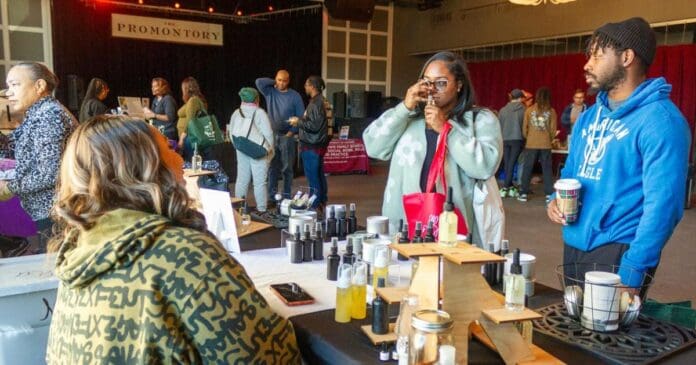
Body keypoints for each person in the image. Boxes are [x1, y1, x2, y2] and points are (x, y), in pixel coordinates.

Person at [45, 116, 301, 364]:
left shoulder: (78, 254)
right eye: (169, 149)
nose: (181, 159)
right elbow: (269, 355)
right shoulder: (182, 253)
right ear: (144, 166)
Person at [547, 17, 690, 290]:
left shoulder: (661, 121)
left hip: (618, 251)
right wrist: (555, 198)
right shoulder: (589, 117)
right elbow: (570, 172)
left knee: (606, 332)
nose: (587, 64)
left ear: (626, 57)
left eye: (598, 56)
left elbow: (663, 208)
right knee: (573, 330)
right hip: (575, 242)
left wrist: (634, 269)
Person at [363, 51, 502, 246]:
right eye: (427, 82)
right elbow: (373, 147)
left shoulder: (481, 120)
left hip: (456, 229)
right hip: (404, 229)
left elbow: (486, 166)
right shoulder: (408, 119)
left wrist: (446, 129)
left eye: (441, 83)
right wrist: (404, 107)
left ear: (459, 84)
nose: (432, 89)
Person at [0, 62, 76, 253]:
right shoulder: (38, 114)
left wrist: (9, 187)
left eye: (15, 85)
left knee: (56, 271)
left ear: (40, 86)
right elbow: (15, 150)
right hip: (52, 212)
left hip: (57, 213)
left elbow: (50, 173)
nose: (8, 93)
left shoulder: (49, 115)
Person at [256, 70, 305, 201]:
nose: (281, 83)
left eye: (284, 80)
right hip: (272, 135)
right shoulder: (270, 92)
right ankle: (272, 197)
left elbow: (300, 116)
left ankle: (287, 196)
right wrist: (274, 82)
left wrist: (291, 132)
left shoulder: (295, 96)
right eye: (279, 80)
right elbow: (259, 82)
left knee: (287, 168)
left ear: (288, 81)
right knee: (272, 167)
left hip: (287, 136)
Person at [229, 87, 274, 214]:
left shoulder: (236, 113)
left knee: (242, 179)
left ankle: (239, 207)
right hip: (258, 152)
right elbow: (269, 134)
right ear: (256, 98)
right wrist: (270, 152)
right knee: (259, 182)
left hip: (241, 149)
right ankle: (261, 209)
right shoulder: (260, 113)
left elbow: (231, 133)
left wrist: (238, 147)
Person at [289, 75, 329, 210]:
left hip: (312, 145)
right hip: (317, 144)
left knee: (313, 177)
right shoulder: (318, 101)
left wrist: (297, 122)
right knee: (318, 174)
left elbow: (314, 126)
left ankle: (314, 204)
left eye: (307, 84)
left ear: (312, 86)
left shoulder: (315, 103)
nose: (305, 87)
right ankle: (321, 200)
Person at [517, 87, 557, 203]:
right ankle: (549, 194)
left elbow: (524, 129)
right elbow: (553, 130)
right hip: (545, 144)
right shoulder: (551, 111)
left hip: (531, 143)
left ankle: (523, 193)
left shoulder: (529, 110)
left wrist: (529, 137)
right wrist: (548, 139)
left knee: (527, 168)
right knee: (547, 169)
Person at [497, 88, 526, 198]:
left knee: (508, 162)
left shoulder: (503, 110)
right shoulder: (523, 109)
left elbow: (499, 125)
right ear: (520, 98)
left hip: (505, 139)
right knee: (512, 163)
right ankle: (506, 187)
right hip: (518, 139)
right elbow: (525, 126)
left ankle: (507, 186)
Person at [177, 76, 207, 159]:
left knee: (190, 165)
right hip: (191, 138)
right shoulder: (196, 100)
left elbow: (190, 121)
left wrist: (182, 139)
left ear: (186, 89)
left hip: (189, 138)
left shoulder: (193, 101)